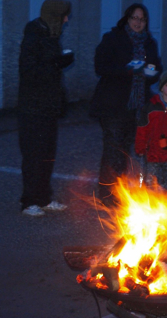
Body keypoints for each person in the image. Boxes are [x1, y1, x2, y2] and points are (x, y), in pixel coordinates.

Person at [90, 3, 162, 206]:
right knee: (113, 147)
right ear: (127, 19)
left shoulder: (149, 42)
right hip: (113, 104)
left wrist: (151, 71)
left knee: (124, 150)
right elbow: (101, 67)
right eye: (134, 18)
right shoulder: (113, 39)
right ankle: (106, 193)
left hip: (136, 105)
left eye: (142, 19)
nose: (138, 23)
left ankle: (115, 191)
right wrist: (128, 70)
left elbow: (157, 66)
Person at [17, 0, 74, 217]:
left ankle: (44, 198)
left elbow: (50, 69)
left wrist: (60, 62)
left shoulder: (52, 34)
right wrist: (56, 63)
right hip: (32, 107)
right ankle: (28, 201)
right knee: (33, 155)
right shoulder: (34, 33)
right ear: (54, 15)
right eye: (64, 16)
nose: (66, 20)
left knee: (47, 154)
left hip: (48, 107)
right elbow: (29, 70)